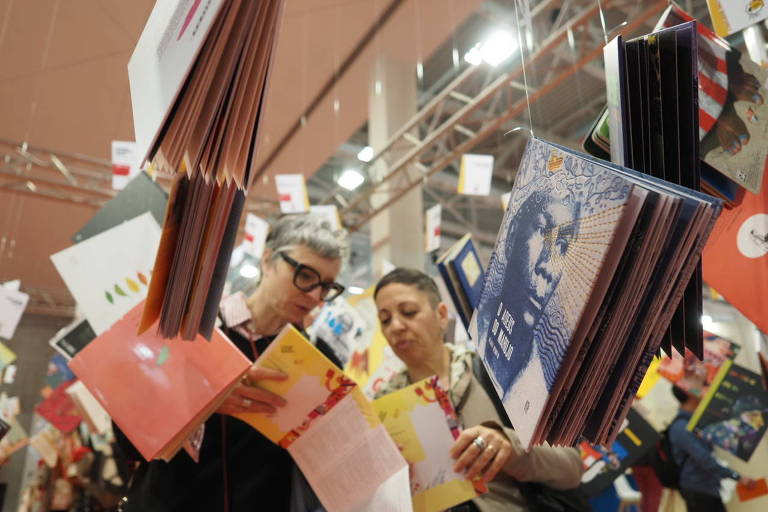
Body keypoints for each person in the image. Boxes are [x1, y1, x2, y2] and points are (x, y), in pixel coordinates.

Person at [118, 214, 348, 511]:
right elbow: (129, 434)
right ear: (267, 260)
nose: (315, 295)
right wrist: (199, 400)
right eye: (305, 275)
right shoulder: (192, 329)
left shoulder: (321, 361)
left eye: (327, 286)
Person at [374, 268, 584, 512]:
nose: (396, 326)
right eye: (385, 319)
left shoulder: (497, 373)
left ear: (442, 314)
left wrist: (510, 447)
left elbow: (571, 467)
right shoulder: (383, 410)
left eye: (408, 312)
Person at [476, 188, 580, 397]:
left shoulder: (541, 391)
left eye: (562, 246)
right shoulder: (478, 330)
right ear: (513, 233)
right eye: (543, 231)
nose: (548, 267)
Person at [668, 385, 756, 512]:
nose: (704, 390)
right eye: (700, 386)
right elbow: (704, 458)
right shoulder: (681, 427)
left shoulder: (694, 422)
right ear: (690, 394)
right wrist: (737, 476)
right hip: (698, 491)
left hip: (708, 488)